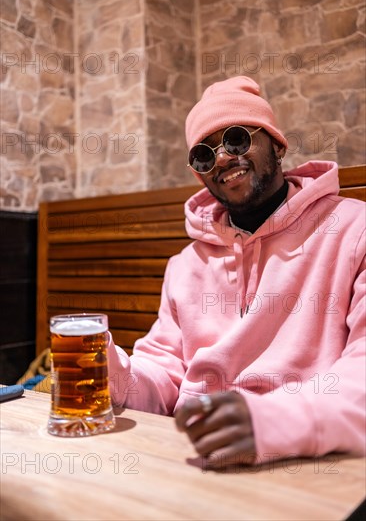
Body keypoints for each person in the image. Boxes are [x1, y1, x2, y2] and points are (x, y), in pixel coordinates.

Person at [107, 76, 365, 468]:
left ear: (276, 145)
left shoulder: (353, 230)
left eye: (236, 139)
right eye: (204, 156)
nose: (224, 158)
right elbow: (165, 375)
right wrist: (110, 372)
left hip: (307, 459)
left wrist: (273, 424)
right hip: (190, 454)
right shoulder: (186, 264)